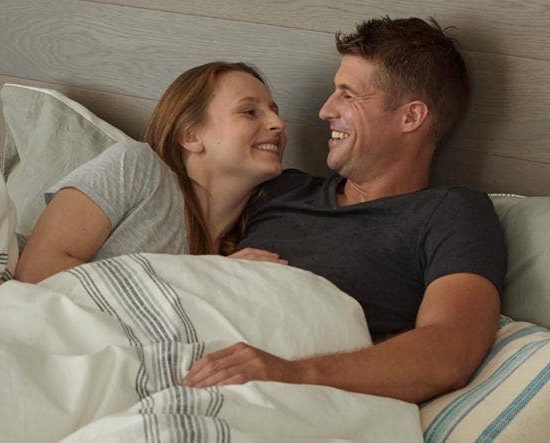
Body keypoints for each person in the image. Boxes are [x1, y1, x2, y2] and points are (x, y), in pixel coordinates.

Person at [181, 17, 508, 404]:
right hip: (188, 353)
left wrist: (290, 374)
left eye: (348, 94)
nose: (324, 110)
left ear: (411, 117)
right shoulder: (281, 188)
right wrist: (223, 270)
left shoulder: (452, 213)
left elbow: (449, 351)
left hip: (272, 395)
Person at [0, 62, 290, 309]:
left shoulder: (242, 248)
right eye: (250, 112)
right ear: (191, 136)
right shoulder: (138, 166)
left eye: (274, 111)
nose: (278, 124)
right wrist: (204, 279)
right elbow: (38, 269)